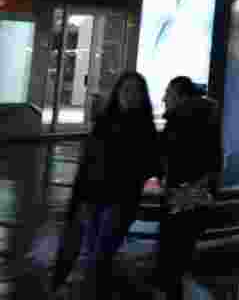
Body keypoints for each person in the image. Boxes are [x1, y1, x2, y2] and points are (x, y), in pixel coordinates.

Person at [52, 72, 161, 298]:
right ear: (118, 93)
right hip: (93, 199)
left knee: (100, 254)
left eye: (136, 91)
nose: (130, 95)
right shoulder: (104, 122)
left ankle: (93, 292)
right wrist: (80, 199)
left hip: (120, 202)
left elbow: (152, 165)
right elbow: (87, 164)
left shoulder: (145, 129)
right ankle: (93, 291)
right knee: (93, 252)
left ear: (143, 97)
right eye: (126, 90)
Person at [157, 76, 221, 300]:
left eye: (168, 93)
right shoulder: (204, 117)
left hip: (184, 192)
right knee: (182, 248)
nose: (164, 98)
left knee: (173, 250)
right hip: (196, 191)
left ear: (181, 96)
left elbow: (171, 155)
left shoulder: (183, 119)